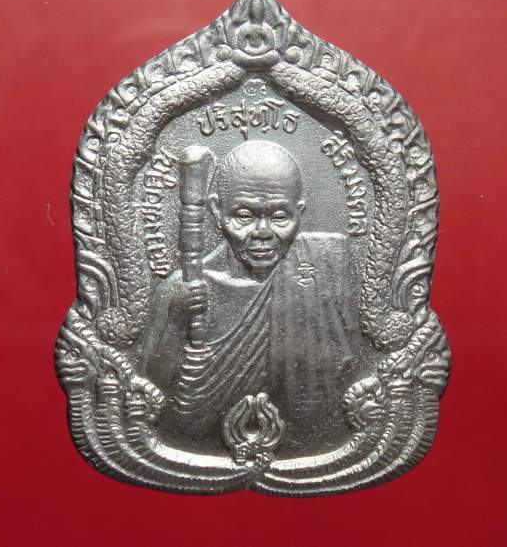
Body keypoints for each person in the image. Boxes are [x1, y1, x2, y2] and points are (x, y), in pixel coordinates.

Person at [141, 140, 355, 453]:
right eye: (244, 216)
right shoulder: (181, 290)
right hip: (191, 440)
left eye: (279, 217)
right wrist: (176, 322)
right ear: (216, 211)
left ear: (300, 213)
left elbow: (346, 368)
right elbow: (147, 391)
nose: (262, 232)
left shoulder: (324, 268)